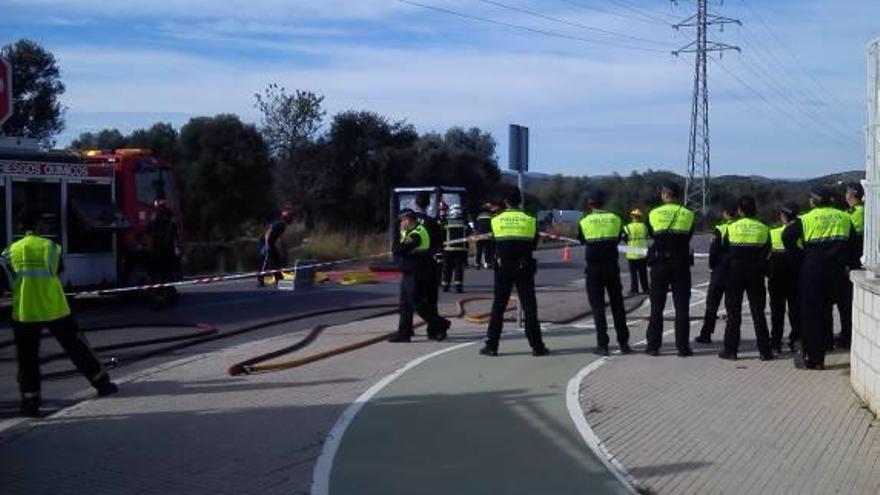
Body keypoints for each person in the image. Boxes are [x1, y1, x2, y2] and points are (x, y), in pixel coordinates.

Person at [3, 210, 118, 417]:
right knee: (77, 348)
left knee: (27, 359)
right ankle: (102, 384)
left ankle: (31, 403)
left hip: (25, 312)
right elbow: (59, 272)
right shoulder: (51, 248)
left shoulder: (8, 253)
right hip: (54, 307)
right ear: (39, 226)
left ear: (19, 228)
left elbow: (6, 283)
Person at [783, 185, 856, 370]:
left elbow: (787, 236)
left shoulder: (806, 219)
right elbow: (855, 244)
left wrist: (800, 258)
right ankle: (833, 343)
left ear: (814, 201)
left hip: (813, 271)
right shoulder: (845, 217)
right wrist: (850, 263)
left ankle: (816, 359)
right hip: (838, 272)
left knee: (813, 316)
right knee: (836, 311)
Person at [480, 187, 549, 357]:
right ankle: (537, 346)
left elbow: (493, 243)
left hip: (503, 267)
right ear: (520, 201)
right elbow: (533, 245)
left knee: (498, 306)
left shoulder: (495, 220)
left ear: (505, 201)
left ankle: (492, 346)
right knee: (529, 307)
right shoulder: (530, 220)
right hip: (524, 266)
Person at [717, 196, 773, 361]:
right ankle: (765, 351)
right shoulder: (763, 228)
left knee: (733, 313)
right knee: (758, 313)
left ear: (740, 210)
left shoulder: (732, 227)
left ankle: (731, 350)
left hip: (735, 272)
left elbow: (724, 250)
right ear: (755, 209)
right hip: (755, 273)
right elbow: (767, 251)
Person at [577, 190, 631, 355]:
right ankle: (623, 343)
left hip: (593, 268)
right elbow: (620, 238)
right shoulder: (615, 219)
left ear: (590, 204)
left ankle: (603, 345)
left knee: (598, 307)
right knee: (617, 305)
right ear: (604, 203)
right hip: (611, 267)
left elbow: (582, 240)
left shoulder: (584, 221)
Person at [645, 181, 695, 357]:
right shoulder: (688, 215)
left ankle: (653, 346)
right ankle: (682, 347)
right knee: (682, 307)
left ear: (665, 194)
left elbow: (651, 233)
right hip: (681, 264)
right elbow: (688, 236)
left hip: (659, 264)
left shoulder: (653, 214)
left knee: (656, 307)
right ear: (678, 195)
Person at [389, 209, 451, 342]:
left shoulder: (417, 234)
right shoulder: (409, 232)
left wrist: (397, 241)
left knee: (417, 303)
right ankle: (404, 333)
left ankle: (440, 323)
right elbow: (399, 248)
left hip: (417, 272)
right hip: (409, 271)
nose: (400, 224)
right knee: (405, 303)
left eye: (402, 220)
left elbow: (398, 249)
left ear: (408, 219)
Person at [694, 200, 738, 344]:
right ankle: (732, 338)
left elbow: (714, 251)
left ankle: (706, 334)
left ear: (725, 213)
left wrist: (712, 266)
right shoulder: (740, 227)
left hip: (720, 270)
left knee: (712, 304)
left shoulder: (720, 229)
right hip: (734, 270)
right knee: (732, 306)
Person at [768, 203, 802, 353]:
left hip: (777, 276)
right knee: (795, 310)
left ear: (784, 216)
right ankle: (796, 339)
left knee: (777, 311)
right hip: (795, 276)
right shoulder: (800, 233)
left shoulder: (774, 232)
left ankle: (775, 342)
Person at [834, 182, 865, 349]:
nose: (845, 195)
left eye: (847, 192)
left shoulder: (858, 213)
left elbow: (851, 239)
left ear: (852, 194)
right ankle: (845, 332)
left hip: (852, 264)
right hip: (851, 263)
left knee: (845, 303)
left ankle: (847, 335)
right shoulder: (851, 212)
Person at [146, 198, 181, 305]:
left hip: (156, 255)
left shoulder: (152, 223)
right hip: (168, 254)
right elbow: (177, 240)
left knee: (155, 277)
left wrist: (149, 252)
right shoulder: (172, 224)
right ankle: (168, 296)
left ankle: (156, 297)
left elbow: (149, 239)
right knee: (167, 276)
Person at [413, 192, 442, 309]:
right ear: (429, 204)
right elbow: (438, 244)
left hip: (412, 262)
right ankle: (434, 323)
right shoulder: (432, 222)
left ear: (415, 203)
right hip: (428, 262)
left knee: (413, 296)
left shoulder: (408, 221)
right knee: (431, 297)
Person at [257, 210, 293, 287]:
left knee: (276, 260)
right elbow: (268, 233)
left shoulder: (283, 225)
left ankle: (279, 279)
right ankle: (260, 281)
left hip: (270, 243)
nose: (292, 218)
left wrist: (282, 247)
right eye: (290, 216)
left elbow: (278, 237)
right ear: (286, 218)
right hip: (264, 242)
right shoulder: (280, 223)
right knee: (264, 261)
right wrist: (267, 245)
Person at [441, 205, 469, 293]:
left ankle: (445, 286)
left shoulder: (446, 223)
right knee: (459, 268)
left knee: (447, 268)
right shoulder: (464, 223)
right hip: (461, 250)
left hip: (448, 250)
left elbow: (441, 235)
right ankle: (458, 287)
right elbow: (470, 235)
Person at [622, 208, 650, 295]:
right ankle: (645, 289)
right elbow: (647, 236)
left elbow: (624, 238)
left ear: (632, 217)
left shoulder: (627, 227)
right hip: (642, 252)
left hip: (632, 252)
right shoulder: (644, 227)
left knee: (633, 273)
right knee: (643, 272)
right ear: (640, 217)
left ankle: (634, 290)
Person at [473, 203, 496, 269]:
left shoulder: (478, 216)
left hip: (479, 235)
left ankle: (477, 263)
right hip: (489, 235)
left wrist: (476, 233)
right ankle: (488, 263)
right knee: (488, 250)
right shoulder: (492, 216)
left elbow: (475, 226)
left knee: (479, 250)